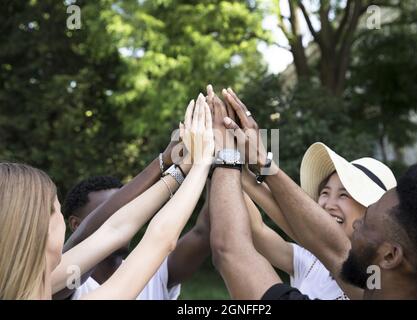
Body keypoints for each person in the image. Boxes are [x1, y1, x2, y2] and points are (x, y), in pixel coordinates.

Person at [209, 87, 417, 300]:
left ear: (389, 256)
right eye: (326, 191)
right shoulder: (378, 284)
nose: (356, 226)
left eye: (365, 223)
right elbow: (327, 245)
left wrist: (224, 155)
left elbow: (230, 250)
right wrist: (261, 162)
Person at [0, 94, 214, 299]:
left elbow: (115, 229)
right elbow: (160, 240)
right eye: (55, 208)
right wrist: (203, 162)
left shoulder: (29, 283)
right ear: (40, 226)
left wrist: (181, 168)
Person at [242, 142, 396, 299]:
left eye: (343, 195)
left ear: (371, 213)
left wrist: (263, 164)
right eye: (325, 192)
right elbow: (257, 229)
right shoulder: (312, 262)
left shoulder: (378, 279)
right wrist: (233, 168)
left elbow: (320, 240)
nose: (328, 205)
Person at [62, 175, 210, 300]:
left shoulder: (154, 271)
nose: (123, 220)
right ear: (76, 224)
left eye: (128, 211)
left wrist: (217, 163)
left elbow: (204, 232)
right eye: (109, 214)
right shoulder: (68, 281)